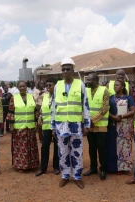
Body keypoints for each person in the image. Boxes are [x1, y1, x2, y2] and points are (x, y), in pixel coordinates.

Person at [51, 57, 90, 189]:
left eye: (68, 69)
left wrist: (87, 124)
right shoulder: (58, 86)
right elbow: (54, 106)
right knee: (62, 151)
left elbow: (85, 105)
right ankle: (65, 175)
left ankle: (77, 176)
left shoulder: (80, 85)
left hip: (76, 125)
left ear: (73, 70)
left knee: (77, 151)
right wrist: (52, 126)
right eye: (63, 69)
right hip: (61, 125)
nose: (66, 71)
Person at [7, 80, 39, 172]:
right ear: (18, 88)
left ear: (26, 87)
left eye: (24, 86)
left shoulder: (31, 97)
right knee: (21, 147)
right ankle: (21, 166)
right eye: (20, 86)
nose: (22, 88)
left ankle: (32, 165)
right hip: (19, 127)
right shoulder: (14, 98)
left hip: (30, 126)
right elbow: (10, 112)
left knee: (31, 146)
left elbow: (35, 111)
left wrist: (36, 123)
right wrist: (11, 125)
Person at [83, 73, 109, 180]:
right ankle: (93, 168)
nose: (87, 82)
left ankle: (103, 169)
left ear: (96, 80)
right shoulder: (86, 91)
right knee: (91, 148)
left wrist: (92, 120)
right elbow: (83, 106)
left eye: (89, 80)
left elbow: (105, 108)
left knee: (102, 149)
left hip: (101, 126)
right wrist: (86, 121)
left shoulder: (104, 90)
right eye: (87, 80)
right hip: (90, 126)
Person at [106, 79, 135, 175]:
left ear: (122, 87)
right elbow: (105, 110)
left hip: (124, 126)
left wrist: (122, 116)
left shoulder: (128, 98)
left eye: (117, 85)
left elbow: (132, 111)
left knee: (124, 146)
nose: (115, 87)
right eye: (114, 85)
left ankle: (123, 167)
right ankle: (112, 167)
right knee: (112, 146)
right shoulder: (110, 98)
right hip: (113, 125)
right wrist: (113, 117)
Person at [35, 77, 60, 177]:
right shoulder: (45, 97)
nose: (48, 87)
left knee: (57, 147)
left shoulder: (59, 97)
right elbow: (42, 110)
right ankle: (43, 168)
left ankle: (56, 166)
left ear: (55, 86)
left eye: (50, 85)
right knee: (45, 146)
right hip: (46, 126)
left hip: (57, 126)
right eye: (47, 85)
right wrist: (40, 118)